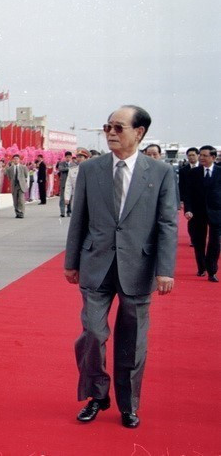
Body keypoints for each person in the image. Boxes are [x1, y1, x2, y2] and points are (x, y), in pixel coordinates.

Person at [65, 105, 177, 429]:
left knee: (133, 340)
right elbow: (79, 219)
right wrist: (71, 262)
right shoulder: (90, 170)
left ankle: (129, 404)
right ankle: (97, 395)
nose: (111, 133)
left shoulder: (160, 173)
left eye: (119, 128)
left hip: (138, 267)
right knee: (92, 334)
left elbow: (167, 224)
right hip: (95, 265)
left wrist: (165, 269)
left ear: (139, 133)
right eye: (107, 127)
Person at [182, 145, 221, 282]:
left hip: (216, 212)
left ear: (213, 157)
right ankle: (201, 267)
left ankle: (212, 270)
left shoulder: (220, 172)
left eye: (205, 155)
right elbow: (188, 194)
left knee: (215, 242)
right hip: (197, 213)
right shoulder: (193, 173)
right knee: (198, 241)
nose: (201, 158)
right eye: (201, 155)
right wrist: (188, 209)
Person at [63, 148, 90, 217]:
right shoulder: (72, 170)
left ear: (86, 158)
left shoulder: (92, 170)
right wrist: (67, 198)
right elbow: (69, 185)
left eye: (81, 157)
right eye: (77, 157)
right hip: (77, 197)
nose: (78, 159)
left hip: (90, 198)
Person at [57, 152, 73, 217]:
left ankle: (69, 211)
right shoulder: (61, 164)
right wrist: (69, 169)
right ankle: (62, 212)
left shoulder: (73, 164)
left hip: (71, 184)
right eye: (67, 157)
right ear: (65, 157)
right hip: (63, 183)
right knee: (62, 198)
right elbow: (60, 169)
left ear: (71, 157)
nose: (68, 158)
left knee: (70, 198)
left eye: (69, 157)